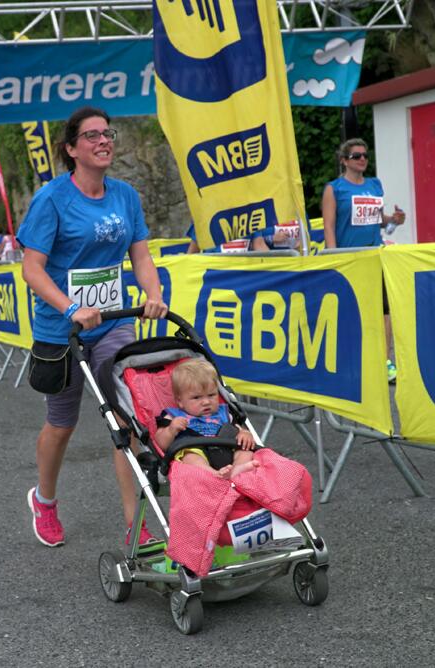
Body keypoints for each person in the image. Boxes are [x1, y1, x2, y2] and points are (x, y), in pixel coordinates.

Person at [17, 105, 169, 548]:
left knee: (127, 420)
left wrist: (153, 294)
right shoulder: (52, 199)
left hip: (113, 325)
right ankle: (44, 499)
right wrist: (70, 309)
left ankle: (134, 524)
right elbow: (32, 269)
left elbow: (140, 256)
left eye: (108, 133)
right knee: (61, 425)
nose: (104, 141)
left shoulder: (125, 195)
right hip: (62, 329)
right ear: (71, 149)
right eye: (92, 135)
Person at [321, 138, 407, 382]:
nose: (362, 160)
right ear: (344, 161)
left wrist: (395, 219)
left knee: (383, 312)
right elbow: (328, 226)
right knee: (351, 312)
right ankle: (349, 361)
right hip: (349, 258)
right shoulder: (334, 189)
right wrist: (333, 258)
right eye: (356, 156)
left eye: (365, 155)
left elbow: (378, 219)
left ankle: (385, 362)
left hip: (375, 256)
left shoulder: (375, 185)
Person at [153, 359, 259, 478]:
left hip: (227, 449)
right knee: (189, 456)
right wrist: (171, 430)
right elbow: (160, 443)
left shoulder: (224, 413)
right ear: (180, 401)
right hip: (196, 450)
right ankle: (212, 474)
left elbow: (238, 429)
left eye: (211, 395)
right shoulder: (174, 416)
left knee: (245, 449)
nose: (206, 402)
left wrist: (245, 434)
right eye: (197, 397)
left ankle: (237, 469)